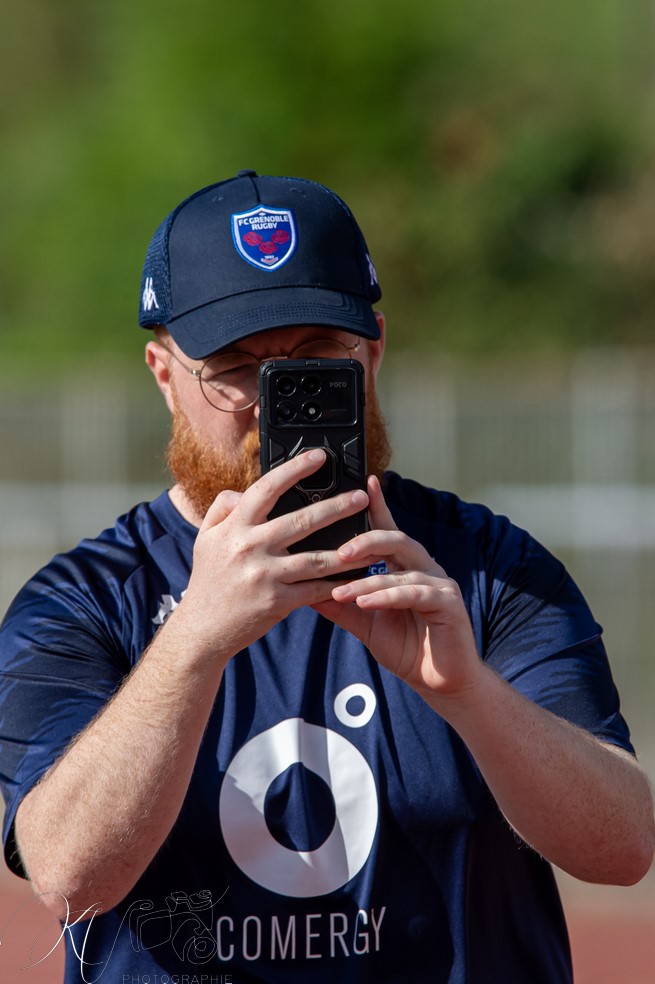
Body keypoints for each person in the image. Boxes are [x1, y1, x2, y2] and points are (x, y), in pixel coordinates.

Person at [0, 170, 652, 984]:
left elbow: (622, 849)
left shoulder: (488, 569)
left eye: (316, 359)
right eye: (234, 367)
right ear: (165, 376)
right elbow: (67, 876)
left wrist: (467, 695)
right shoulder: (87, 600)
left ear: (372, 352)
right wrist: (195, 640)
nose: (270, 404)